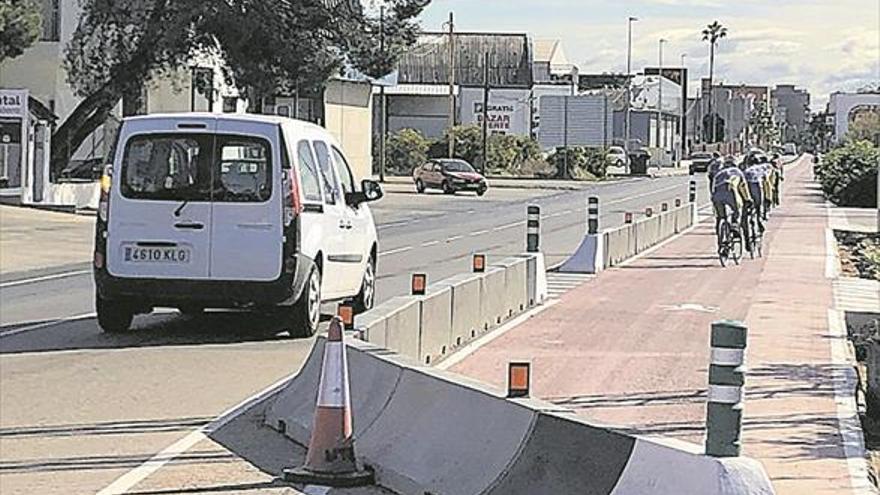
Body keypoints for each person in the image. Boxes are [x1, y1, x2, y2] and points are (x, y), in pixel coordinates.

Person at [712, 156, 753, 250]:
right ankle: (734, 225)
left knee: (721, 217)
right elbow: (743, 187)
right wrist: (748, 199)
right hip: (730, 190)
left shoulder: (719, 174)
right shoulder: (738, 172)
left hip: (717, 194)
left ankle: (721, 240)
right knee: (738, 208)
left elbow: (713, 188)